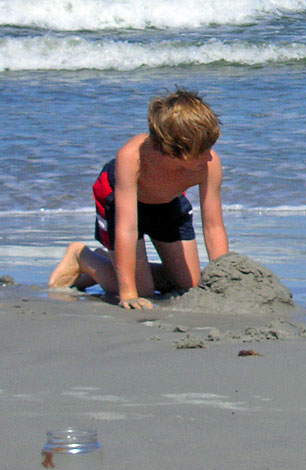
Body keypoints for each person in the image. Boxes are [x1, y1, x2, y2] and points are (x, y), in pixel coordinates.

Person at [48, 89, 229, 310]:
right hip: (120, 202)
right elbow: (127, 228)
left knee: (190, 285)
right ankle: (83, 258)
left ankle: (109, 265)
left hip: (168, 202)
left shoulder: (209, 164)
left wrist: (226, 282)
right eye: (202, 151)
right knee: (142, 291)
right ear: (173, 151)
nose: (209, 156)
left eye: (210, 147)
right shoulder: (132, 157)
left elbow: (213, 226)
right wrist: (128, 293)